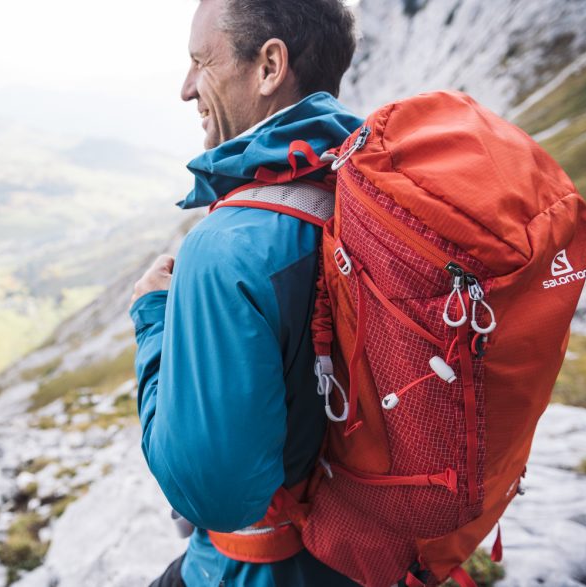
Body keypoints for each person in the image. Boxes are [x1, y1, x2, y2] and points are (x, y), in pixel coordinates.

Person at [129, 1, 363, 585]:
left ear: (269, 67)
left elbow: (213, 495)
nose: (187, 89)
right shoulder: (362, 190)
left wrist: (155, 317)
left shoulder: (228, 247)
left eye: (200, 62)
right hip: (362, 558)